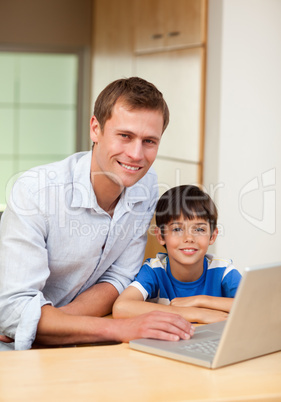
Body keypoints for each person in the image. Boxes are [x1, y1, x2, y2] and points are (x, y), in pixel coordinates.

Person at [0, 77, 194, 351]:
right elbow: (13, 311)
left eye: (149, 141)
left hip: (74, 340)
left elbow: (119, 277)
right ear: (95, 129)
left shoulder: (145, 186)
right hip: (12, 352)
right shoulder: (36, 192)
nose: (137, 154)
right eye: (125, 136)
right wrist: (120, 329)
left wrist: (46, 325)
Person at [113, 185, 242, 323]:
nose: (189, 238)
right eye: (177, 229)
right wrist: (195, 313)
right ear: (161, 236)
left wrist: (200, 301)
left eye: (199, 229)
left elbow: (258, 305)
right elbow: (121, 308)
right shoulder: (155, 270)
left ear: (212, 236)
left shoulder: (222, 270)